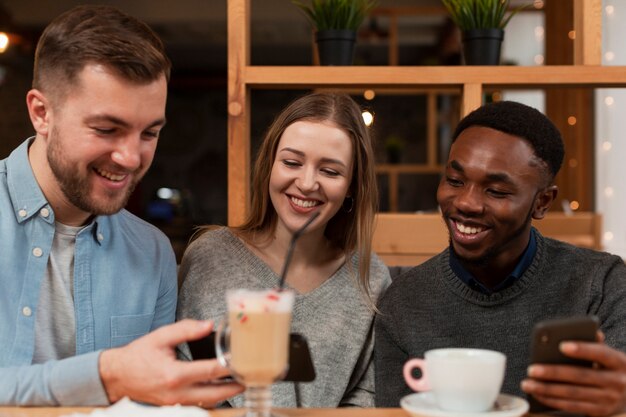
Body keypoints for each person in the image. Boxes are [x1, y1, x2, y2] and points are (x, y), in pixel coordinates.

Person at [0, 5, 242, 406]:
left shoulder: (152, 251)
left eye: (149, 132)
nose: (131, 158)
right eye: (107, 129)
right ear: (41, 113)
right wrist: (106, 375)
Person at [375, 101, 626, 416]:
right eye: (455, 181)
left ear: (542, 202)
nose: (466, 203)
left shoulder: (600, 284)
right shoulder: (401, 303)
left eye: (495, 191)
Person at [177, 93, 391, 407]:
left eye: (330, 171)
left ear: (351, 188)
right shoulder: (209, 257)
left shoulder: (371, 278)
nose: (306, 183)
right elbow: (184, 375)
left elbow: (366, 393)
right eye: (291, 162)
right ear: (269, 167)